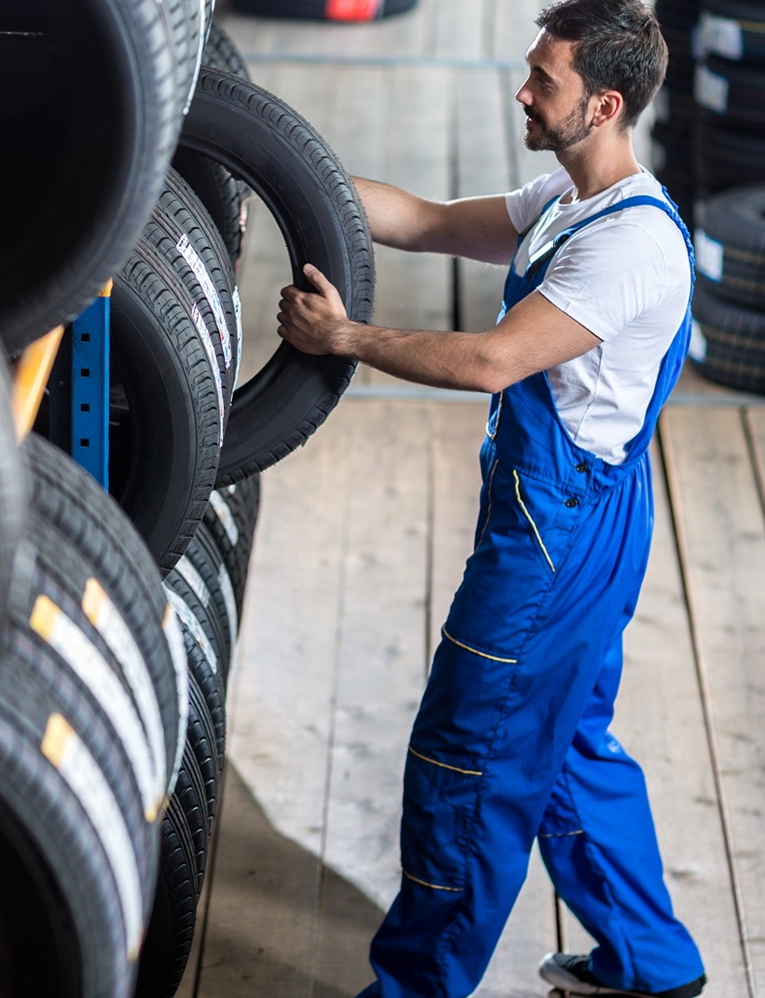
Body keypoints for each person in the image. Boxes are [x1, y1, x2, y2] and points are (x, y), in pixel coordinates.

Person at [273, 1, 705, 996]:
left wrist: (344, 338)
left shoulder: (629, 244)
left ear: (600, 105)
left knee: (467, 758)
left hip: (557, 538)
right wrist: (282, 173)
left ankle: (414, 988)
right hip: (583, 519)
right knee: (563, 749)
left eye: (541, 80)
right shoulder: (568, 197)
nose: (521, 90)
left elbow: (490, 362)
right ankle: (654, 964)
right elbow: (420, 222)